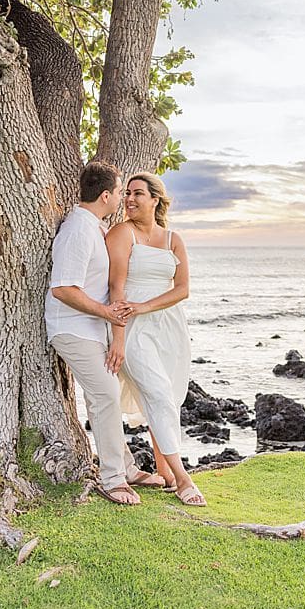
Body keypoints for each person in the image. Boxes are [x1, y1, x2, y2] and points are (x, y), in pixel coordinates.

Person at [45, 161, 169, 505]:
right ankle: (113, 479)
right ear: (105, 195)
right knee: (106, 396)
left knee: (103, 397)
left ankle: (126, 468)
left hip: (91, 329)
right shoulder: (78, 231)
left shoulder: (95, 227)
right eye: (119, 191)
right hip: (72, 329)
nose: (122, 198)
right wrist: (107, 313)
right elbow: (63, 289)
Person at [105, 172, 206, 506]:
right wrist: (118, 339)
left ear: (155, 199)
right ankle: (183, 479)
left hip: (170, 327)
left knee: (167, 398)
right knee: (160, 393)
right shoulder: (123, 233)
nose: (129, 199)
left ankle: (164, 472)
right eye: (127, 193)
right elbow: (116, 289)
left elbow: (183, 289)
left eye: (137, 193)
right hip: (133, 327)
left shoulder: (173, 239)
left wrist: (146, 306)